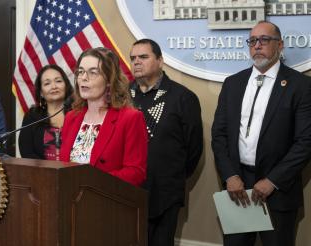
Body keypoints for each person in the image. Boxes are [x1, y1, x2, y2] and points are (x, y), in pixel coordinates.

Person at [212, 21, 311, 246]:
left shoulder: (301, 86)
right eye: (252, 41)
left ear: (280, 45)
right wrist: (230, 175)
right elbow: (219, 135)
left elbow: (306, 142)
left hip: (277, 191)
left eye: (264, 40)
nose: (257, 45)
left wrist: (273, 181)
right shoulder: (233, 83)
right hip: (236, 187)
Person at [129, 39, 203, 246]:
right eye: (133, 58)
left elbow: (193, 149)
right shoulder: (122, 96)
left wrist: (171, 174)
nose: (136, 62)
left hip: (165, 192)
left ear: (160, 61)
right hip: (126, 191)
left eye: (143, 57)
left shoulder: (183, 98)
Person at [60, 47, 148, 186]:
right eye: (80, 72)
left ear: (109, 80)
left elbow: (135, 172)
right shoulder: (72, 117)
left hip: (107, 202)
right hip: (70, 202)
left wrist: (92, 182)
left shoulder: (130, 118)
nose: (83, 78)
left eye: (93, 72)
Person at [18, 64, 73, 160]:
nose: (54, 86)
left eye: (58, 81)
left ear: (66, 85)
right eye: (47, 83)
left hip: (75, 173)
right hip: (40, 173)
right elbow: (26, 152)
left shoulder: (78, 114)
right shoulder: (32, 116)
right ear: (41, 93)